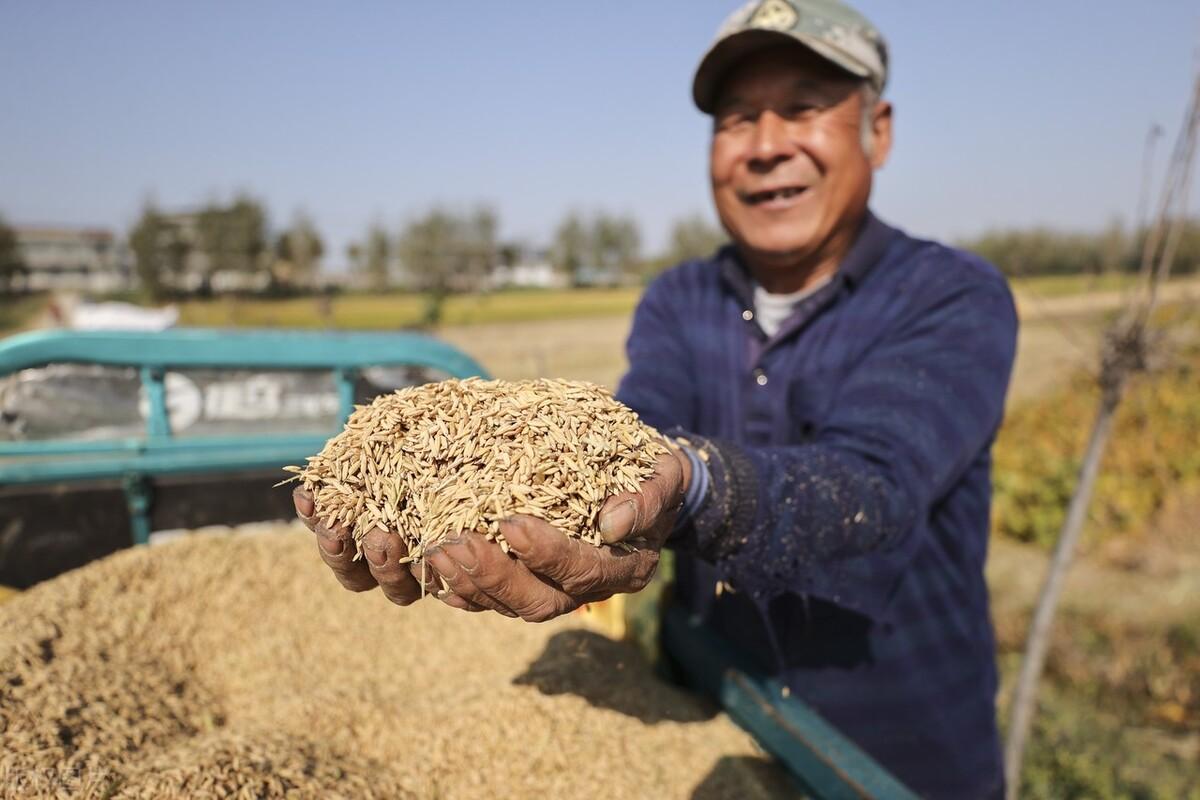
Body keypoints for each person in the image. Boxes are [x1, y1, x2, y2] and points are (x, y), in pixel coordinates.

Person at [293, 1, 1017, 796]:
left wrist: (694, 483)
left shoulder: (950, 297)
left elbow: (871, 488)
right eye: (738, 119)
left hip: (894, 750)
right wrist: (592, 499)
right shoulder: (680, 299)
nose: (768, 145)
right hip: (702, 721)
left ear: (876, 129)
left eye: (803, 108)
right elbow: (633, 434)